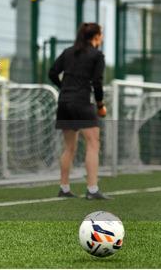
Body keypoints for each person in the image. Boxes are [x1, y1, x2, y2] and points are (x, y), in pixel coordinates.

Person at [48, 23, 110, 200]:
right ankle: (92, 190)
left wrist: (64, 88)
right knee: (93, 144)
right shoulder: (97, 55)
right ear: (96, 36)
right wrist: (100, 105)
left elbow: (52, 72)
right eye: (102, 34)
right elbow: (97, 83)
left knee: (69, 147)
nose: (102, 37)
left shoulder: (68, 52)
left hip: (65, 102)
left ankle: (64, 188)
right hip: (82, 102)